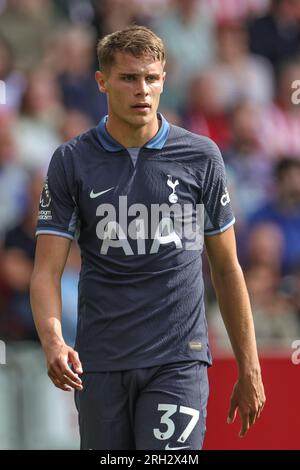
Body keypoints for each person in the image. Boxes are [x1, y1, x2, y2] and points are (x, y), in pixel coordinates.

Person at [30, 25, 265, 451]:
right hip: (101, 361)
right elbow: (46, 271)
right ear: (102, 81)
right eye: (128, 78)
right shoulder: (71, 161)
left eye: (151, 78)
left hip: (177, 359)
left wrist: (249, 366)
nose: (142, 90)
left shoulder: (201, 156)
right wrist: (54, 341)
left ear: (164, 80)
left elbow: (228, 268)